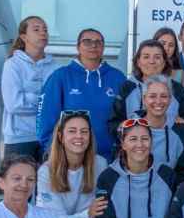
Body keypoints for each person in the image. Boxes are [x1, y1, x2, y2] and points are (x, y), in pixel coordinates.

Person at [38, 28, 126, 160]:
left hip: (109, 158)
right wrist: (53, 152)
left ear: (103, 47)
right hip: (71, 158)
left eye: (98, 42)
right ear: (78, 47)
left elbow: (126, 118)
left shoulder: (117, 77)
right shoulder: (61, 77)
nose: (93, 45)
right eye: (87, 41)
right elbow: (46, 119)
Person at [108, 40, 184, 143]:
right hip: (135, 152)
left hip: (168, 154)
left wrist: (181, 127)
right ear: (138, 62)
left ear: (164, 62)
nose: (152, 61)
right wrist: (126, 127)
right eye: (146, 56)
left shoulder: (176, 88)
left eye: (157, 57)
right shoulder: (127, 87)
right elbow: (114, 124)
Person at [2, 15, 59, 162]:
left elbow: (59, 102)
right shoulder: (12, 64)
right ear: (24, 37)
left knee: (47, 182)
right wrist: (44, 100)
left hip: (49, 137)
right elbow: (13, 104)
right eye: (36, 29)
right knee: (20, 183)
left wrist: (31, 97)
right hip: (19, 139)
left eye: (45, 30)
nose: (43, 33)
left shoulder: (55, 67)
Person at [140, 76, 184, 185]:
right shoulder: (132, 129)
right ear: (144, 99)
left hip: (168, 193)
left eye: (164, 96)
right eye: (152, 96)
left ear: (170, 99)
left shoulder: (181, 131)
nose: (158, 101)